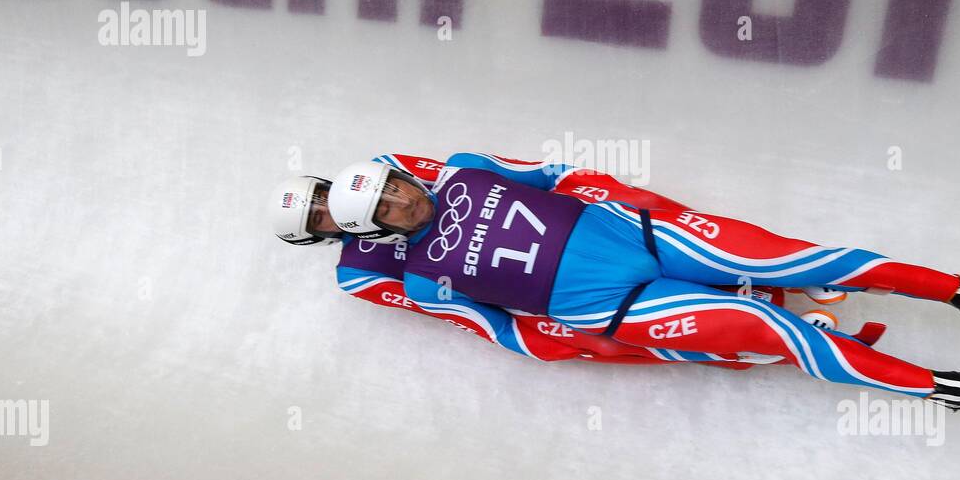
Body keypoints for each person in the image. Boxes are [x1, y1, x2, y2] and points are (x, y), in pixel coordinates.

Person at [326, 152, 960, 412]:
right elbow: (506, 331)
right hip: (626, 306)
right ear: (375, 231)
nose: (402, 199)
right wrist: (586, 341)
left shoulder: (463, 169)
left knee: (806, 260)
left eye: (394, 186)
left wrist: (625, 202)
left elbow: (556, 174)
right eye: (386, 208)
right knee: (778, 334)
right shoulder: (425, 281)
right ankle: (952, 387)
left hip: (650, 237)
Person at [270, 154, 795, 367]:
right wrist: (526, 333)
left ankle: (738, 265)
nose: (329, 215)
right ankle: (734, 349)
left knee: (639, 208)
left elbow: (462, 179)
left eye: (323, 198)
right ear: (315, 239)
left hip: (549, 228)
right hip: (527, 291)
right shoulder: (356, 275)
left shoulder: (380, 171)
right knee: (595, 341)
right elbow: (442, 308)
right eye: (318, 221)